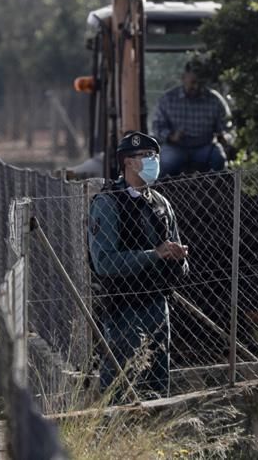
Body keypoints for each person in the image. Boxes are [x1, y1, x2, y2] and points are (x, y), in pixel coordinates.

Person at [89, 131, 188, 398]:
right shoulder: (109, 203)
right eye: (145, 156)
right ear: (128, 162)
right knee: (120, 382)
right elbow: (104, 263)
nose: (152, 161)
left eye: (153, 156)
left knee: (158, 381)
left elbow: (180, 262)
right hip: (124, 308)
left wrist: (178, 258)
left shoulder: (161, 203)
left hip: (158, 303)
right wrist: (153, 255)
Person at [153, 61, 232, 177]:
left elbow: (226, 125)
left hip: (204, 147)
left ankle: (216, 192)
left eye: (200, 83)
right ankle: (162, 192)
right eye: (193, 82)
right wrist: (171, 136)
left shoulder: (214, 99)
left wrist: (224, 137)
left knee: (218, 158)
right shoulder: (168, 99)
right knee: (165, 163)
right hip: (176, 147)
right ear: (183, 78)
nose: (196, 87)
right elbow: (157, 126)